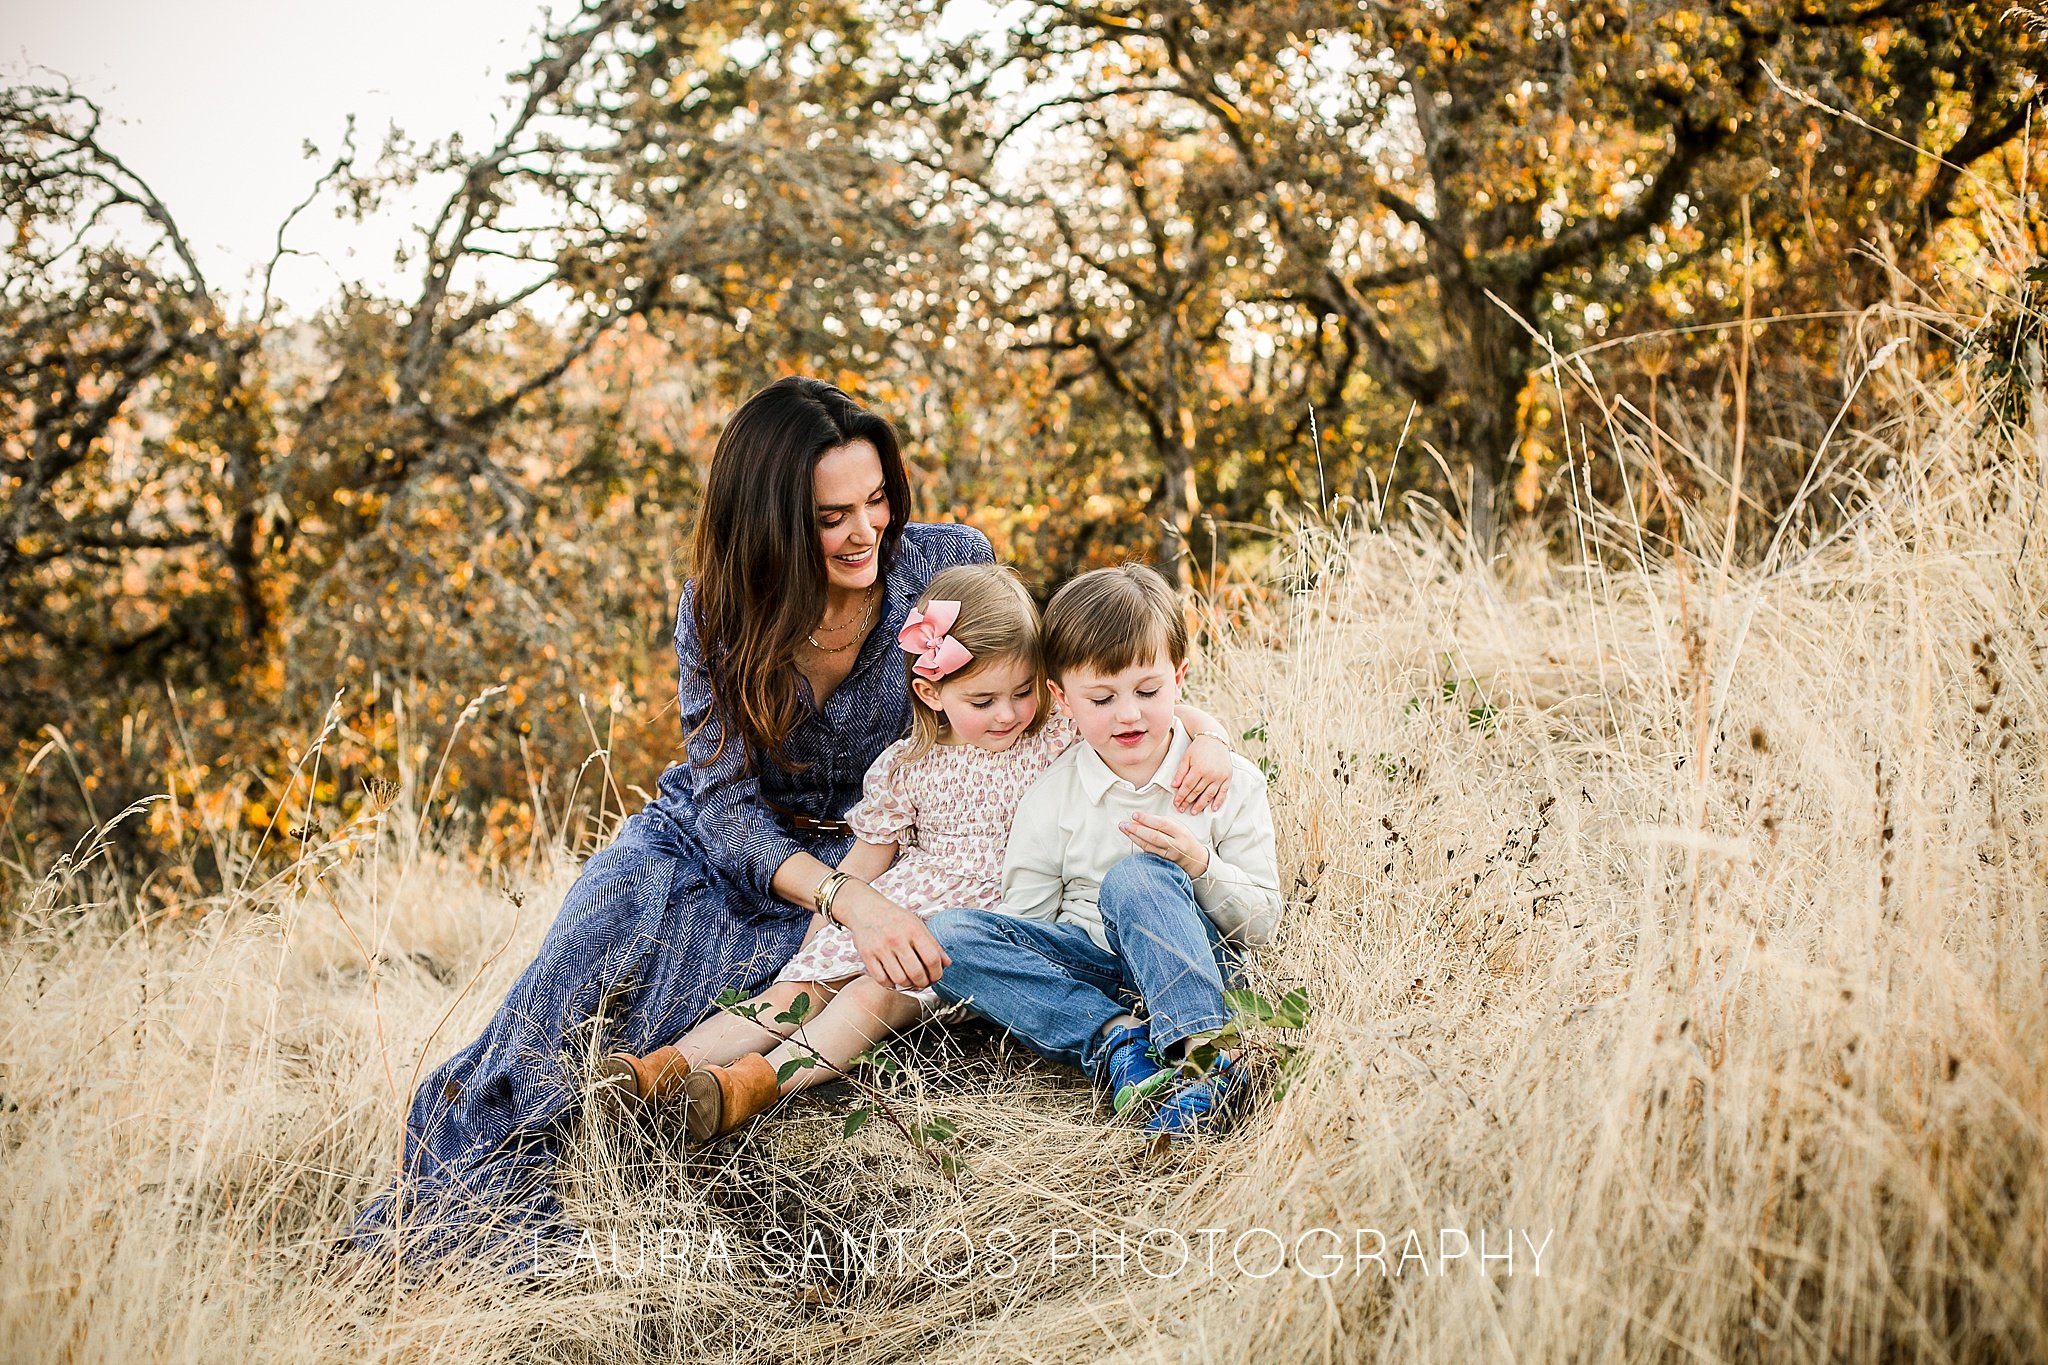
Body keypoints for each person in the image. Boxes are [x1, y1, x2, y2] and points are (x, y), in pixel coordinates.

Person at [351, 379, 1233, 1266]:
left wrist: (1210, 735)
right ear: (771, 519)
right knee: (572, 973)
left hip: (872, 851)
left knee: (696, 999)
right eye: (831, 515)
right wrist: (850, 899)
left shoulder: (947, 568)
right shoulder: (718, 609)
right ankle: (471, 1188)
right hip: (724, 840)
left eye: (877, 500)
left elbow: (1067, 689)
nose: (866, 532)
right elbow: (725, 807)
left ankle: (661, 1110)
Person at [595, 563, 1238, 1141]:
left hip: (979, 926)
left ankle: (748, 1087)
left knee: (868, 997)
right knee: (795, 992)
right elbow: (866, 863)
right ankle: (664, 1072)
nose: (1009, 714)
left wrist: (1212, 743)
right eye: (982, 701)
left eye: (1022, 692)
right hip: (901, 907)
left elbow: (1173, 710)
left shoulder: (1059, 731)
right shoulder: (907, 766)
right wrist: (821, 939)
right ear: (933, 693)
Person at [927, 564, 1283, 1147]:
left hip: (1195, 961)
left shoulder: (1230, 782)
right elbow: (1030, 920)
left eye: (1148, 691)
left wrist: (1199, 864)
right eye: (1102, 697)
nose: (1128, 714)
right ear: (1061, 699)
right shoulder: (1050, 795)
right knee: (944, 934)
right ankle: (1119, 1043)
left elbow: (1263, 924)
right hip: (1097, 972)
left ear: (1180, 678)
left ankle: (1206, 1058)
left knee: (1137, 878)